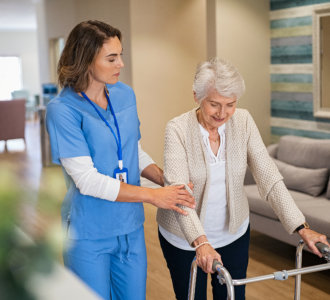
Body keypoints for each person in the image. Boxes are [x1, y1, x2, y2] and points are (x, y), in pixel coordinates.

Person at [156, 57, 329, 300]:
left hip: (233, 233)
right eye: (214, 104)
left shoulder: (244, 121)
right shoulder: (177, 129)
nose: (223, 113)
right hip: (185, 238)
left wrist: (301, 227)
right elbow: (179, 193)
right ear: (197, 96)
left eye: (231, 104)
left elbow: (269, 177)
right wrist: (201, 242)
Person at [46, 20, 195, 300]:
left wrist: (166, 181)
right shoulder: (62, 110)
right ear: (86, 59)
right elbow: (87, 181)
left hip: (129, 227)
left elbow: (132, 151)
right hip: (88, 232)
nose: (121, 64)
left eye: (121, 55)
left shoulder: (125, 95)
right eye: (112, 58)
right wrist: (154, 197)